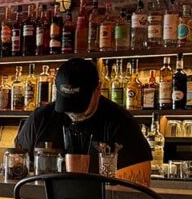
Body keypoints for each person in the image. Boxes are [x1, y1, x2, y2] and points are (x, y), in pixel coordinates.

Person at [15, 58, 152, 186]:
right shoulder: (40, 118)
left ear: (98, 89)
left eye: (79, 104)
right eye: (67, 103)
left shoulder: (122, 123)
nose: (73, 111)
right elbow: (15, 166)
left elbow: (140, 186)